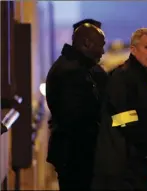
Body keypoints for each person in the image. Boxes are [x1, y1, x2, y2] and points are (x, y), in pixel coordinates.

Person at [92, 28, 147, 190]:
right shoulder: (124, 78)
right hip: (123, 166)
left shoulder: (139, 77)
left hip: (133, 161)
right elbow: (123, 119)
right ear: (133, 50)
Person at [45, 19, 107, 190]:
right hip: (76, 156)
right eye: (100, 45)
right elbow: (81, 119)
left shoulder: (80, 68)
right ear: (87, 43)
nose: (102, 51)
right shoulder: (71, 72)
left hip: (76, 154)